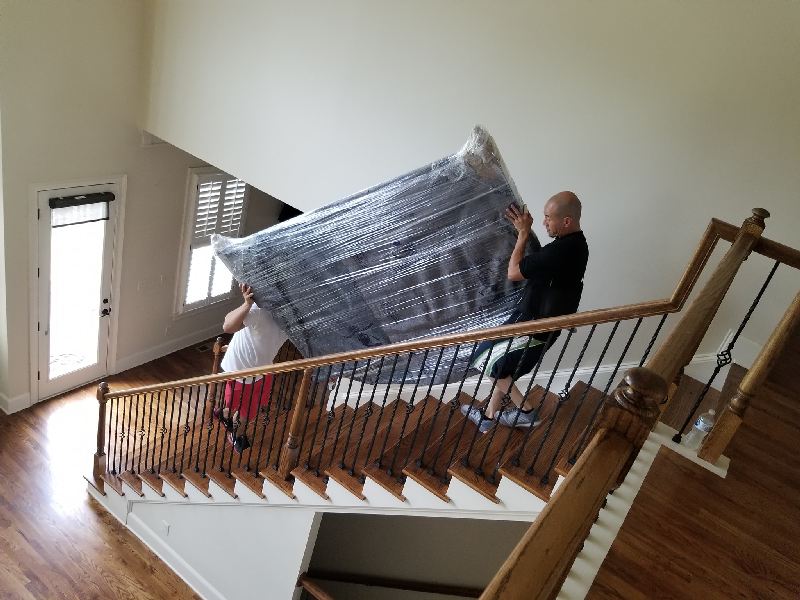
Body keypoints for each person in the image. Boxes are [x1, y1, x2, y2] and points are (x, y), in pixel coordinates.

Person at [462, 191, 588, 433]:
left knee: (484, 360)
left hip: (533, 325)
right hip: (532, 319)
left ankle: (526, 412)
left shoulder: (560, 251)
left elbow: (513, 272)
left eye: (548, 217)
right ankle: (488, 417)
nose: (543, 222)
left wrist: (522, 233)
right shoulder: (576, 245)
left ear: (566, 221)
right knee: (504, 369)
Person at [216, 282, 288, 451]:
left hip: (261, 369)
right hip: (241, 370)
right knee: (245, 410)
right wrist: (247, 304)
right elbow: (227, 326)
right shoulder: (260, 311)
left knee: (245, 406)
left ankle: (224, 414)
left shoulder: (292, 319)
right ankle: (234, 433)